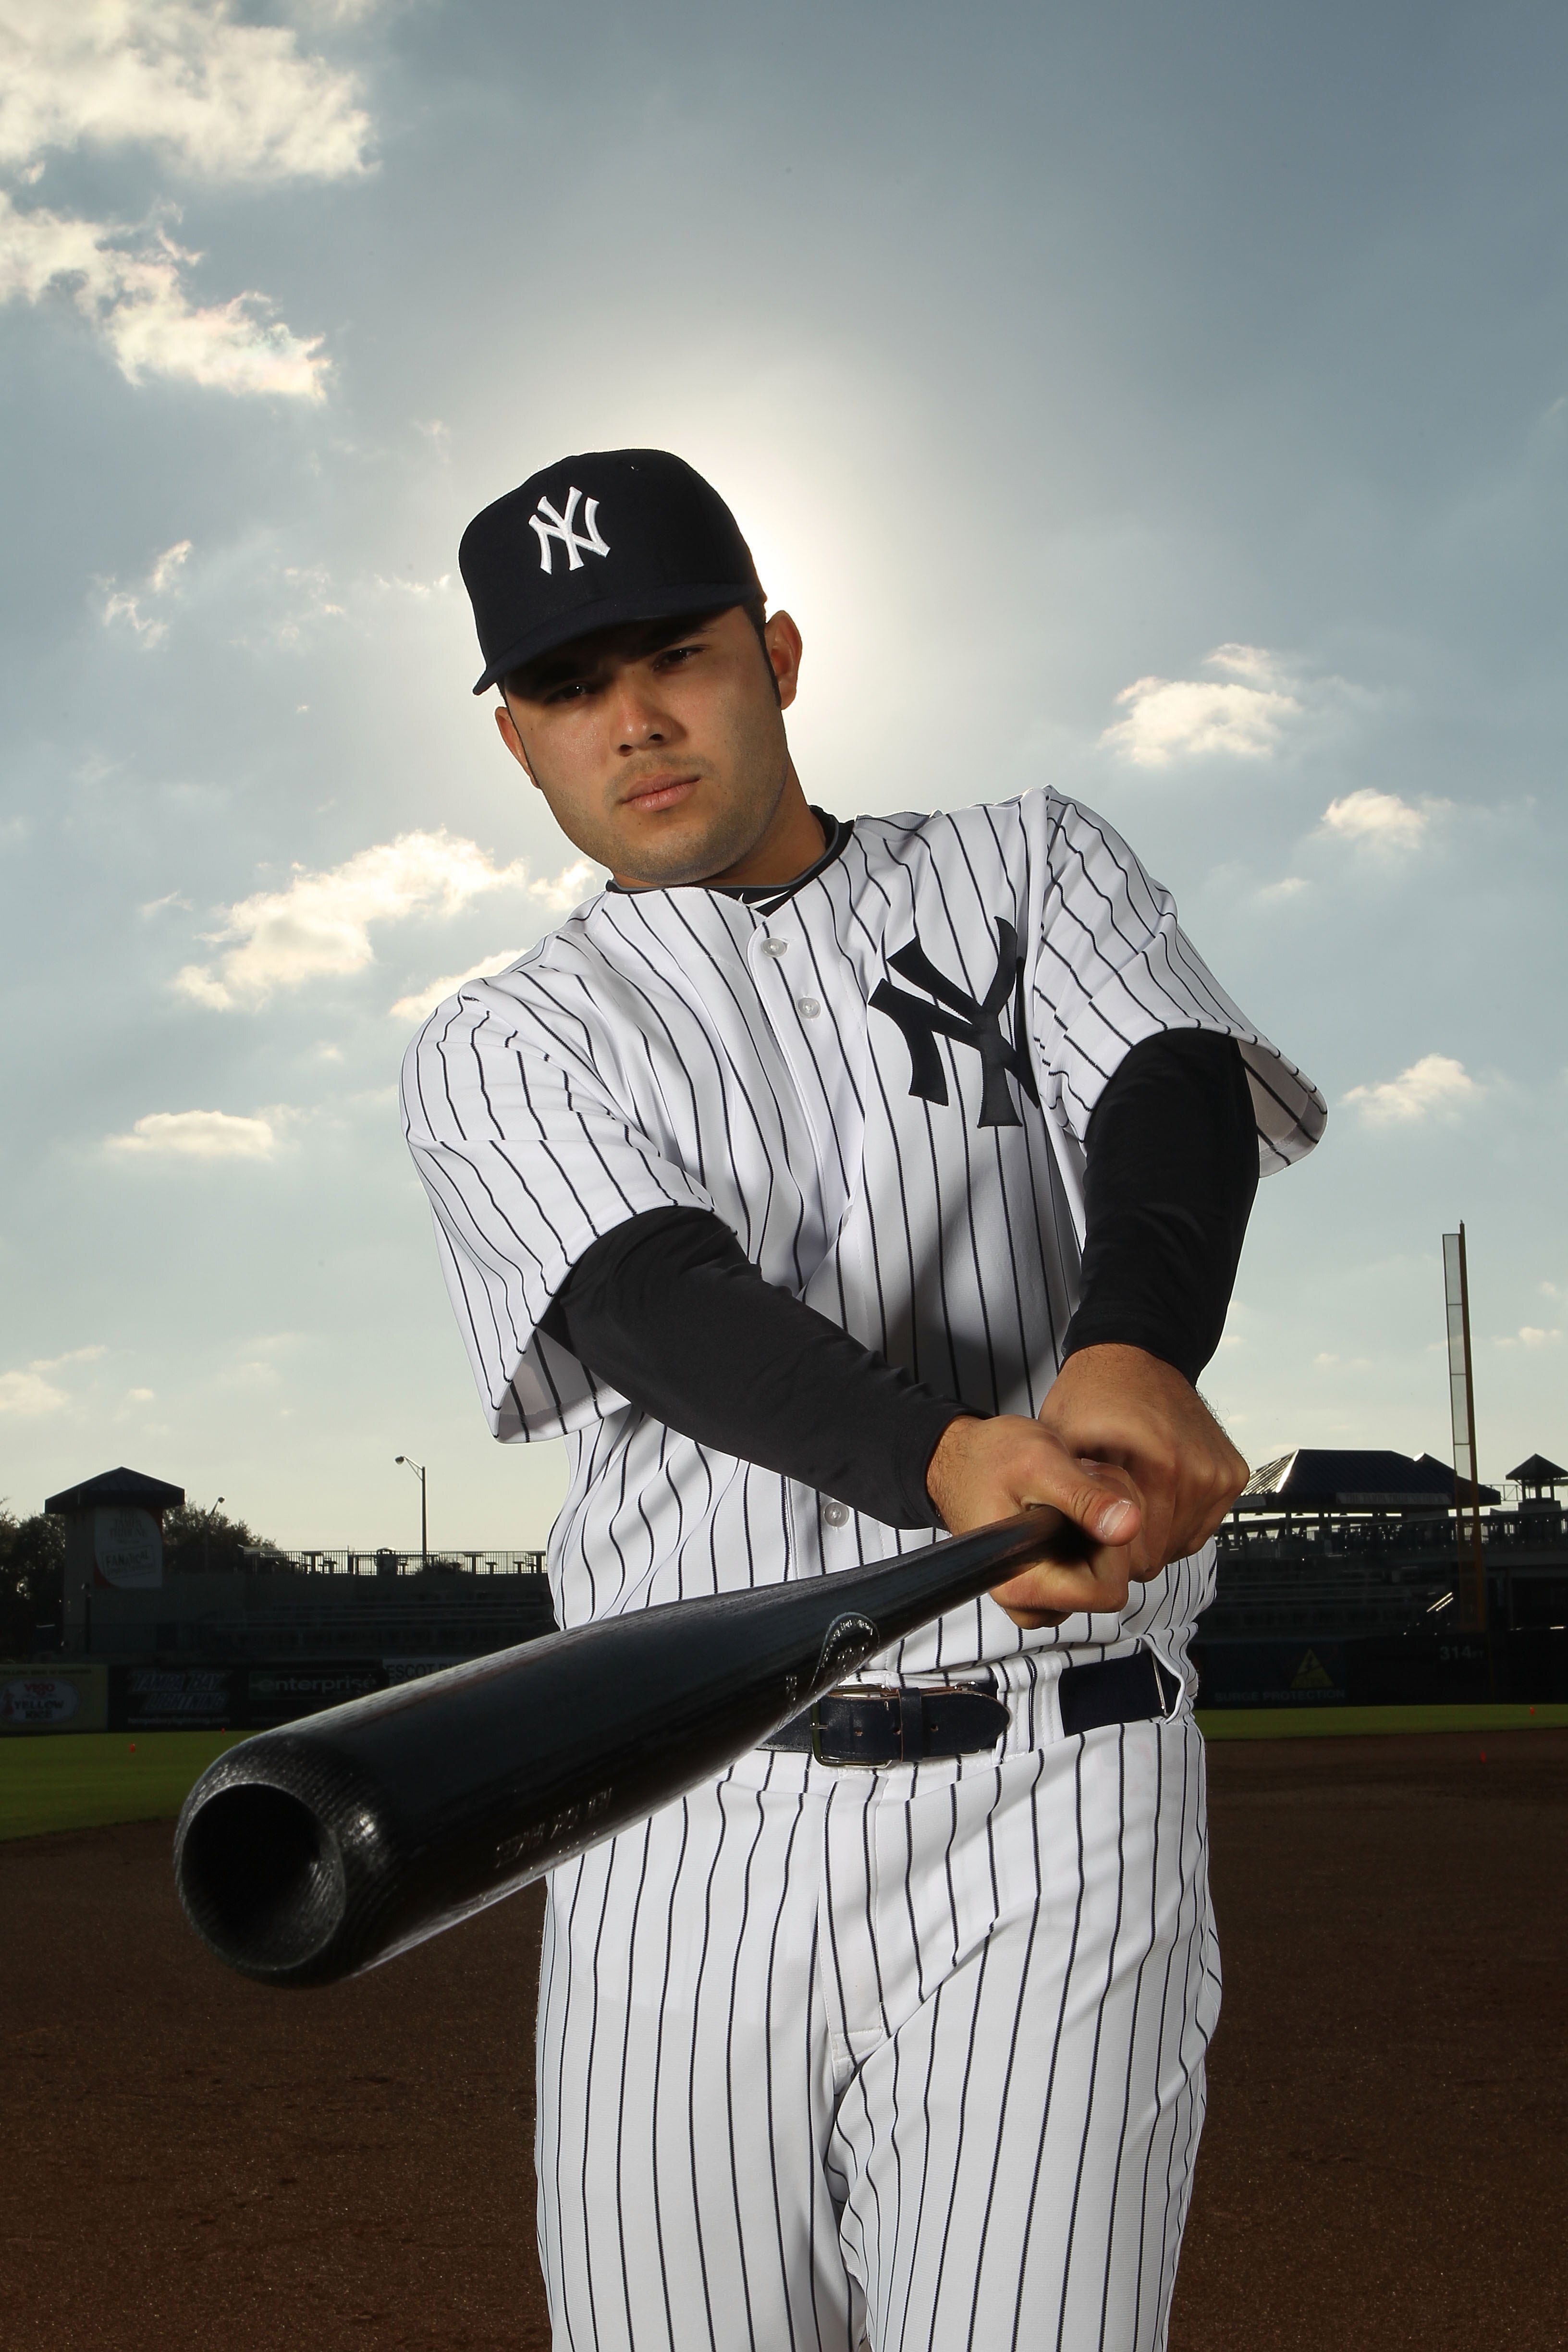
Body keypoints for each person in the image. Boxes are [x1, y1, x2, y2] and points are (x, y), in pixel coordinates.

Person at [402, 448, 1324, 2352]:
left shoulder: (1024, 862)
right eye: (569, 688)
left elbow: (1165, 1077)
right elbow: (652, 1298)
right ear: (518, 743)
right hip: (679, 1827)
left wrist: (1137, 1342)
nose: (634, 721)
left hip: (1055, 1790)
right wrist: (944, 1455)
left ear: (780, 655)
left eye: (676, 654)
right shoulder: (505, 1042)